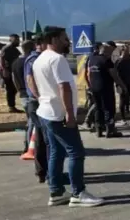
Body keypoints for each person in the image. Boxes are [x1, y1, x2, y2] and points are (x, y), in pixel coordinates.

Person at [32, 26, 104, 207]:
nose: (68, 42)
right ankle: (78, 193)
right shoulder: (57, 60)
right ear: (54, 40)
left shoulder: (39, 59)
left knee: (56, 152)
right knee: (76, 153)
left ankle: (56, 192)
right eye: (65, 39)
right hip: (59, 114)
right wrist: (70, 114)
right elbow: (63, 87)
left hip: (46, 111)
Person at [86, 41, 127, 138]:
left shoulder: (92, 59)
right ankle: (110, 129)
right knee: (109, 108)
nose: (112, 52)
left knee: (98, 108)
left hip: (94, 88)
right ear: (106, 50)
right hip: (105, 87)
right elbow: (114, 75)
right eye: (111, 50)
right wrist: (122, 85)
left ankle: (99, 128)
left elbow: (88, 73)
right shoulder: (107, 60)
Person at [24, 35, 49, 183]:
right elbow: (30, 79)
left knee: (44, 137)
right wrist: (39, 97)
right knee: (41, 138)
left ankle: (46, 171)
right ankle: (43, 172)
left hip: (38, 101)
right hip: (37, 102)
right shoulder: (34, 59)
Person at [12, 40, 37, 153]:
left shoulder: (15, 62)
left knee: (30, 120)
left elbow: (14, 79)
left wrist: (19, 91)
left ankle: (30, 144)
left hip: (22, 94)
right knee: (33, 121)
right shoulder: (31, 61)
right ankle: (29, 146)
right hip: (31, 95)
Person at [83, 42, 103, 130]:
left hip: (92, 85)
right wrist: (89, 85)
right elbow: (87, 73)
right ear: (98, 48)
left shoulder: (90, 57)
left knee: (94, 104)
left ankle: (93, 123)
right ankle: (87, 121)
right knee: (96, 104)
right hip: (93, 85)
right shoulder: (93, 58)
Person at [0, 34, 22, 112]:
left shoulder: (15, 50)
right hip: (7, 72)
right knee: (10, 89)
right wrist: (4, 70)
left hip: (13, 71)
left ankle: (12, 105)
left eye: (18, 39)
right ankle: (11, 107)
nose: (18, 41)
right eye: (16, 39)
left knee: (14, 89)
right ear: (11, 39)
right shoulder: (7, 48)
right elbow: (2, 59)